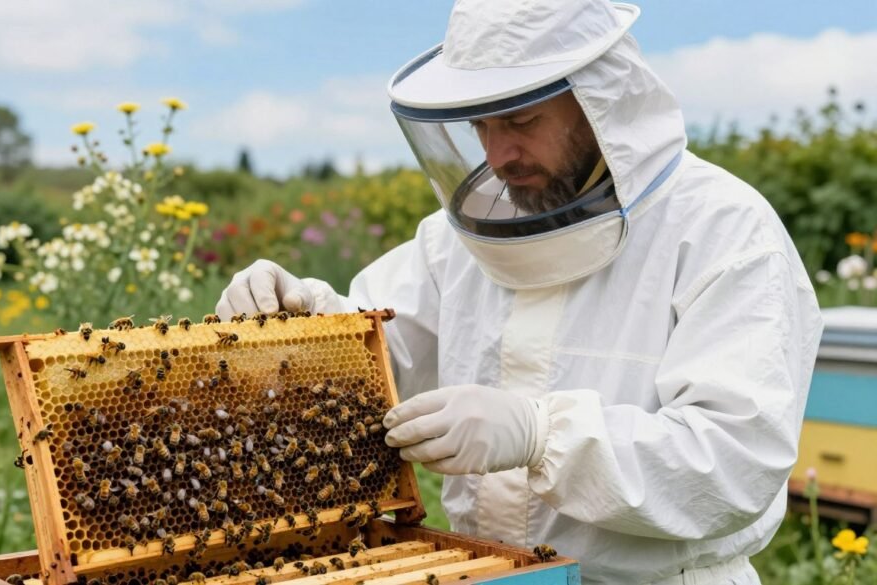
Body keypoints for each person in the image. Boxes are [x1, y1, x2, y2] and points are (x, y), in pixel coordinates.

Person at [215, 0, 823, 583]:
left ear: (597, 101)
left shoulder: (724, 231)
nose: (498, 155)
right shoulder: (452, 242)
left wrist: (540, 435)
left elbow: (733, 463)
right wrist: (306, 322)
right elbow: (379, 359)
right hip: (488, 574)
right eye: (480, 126)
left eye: (521, 121)